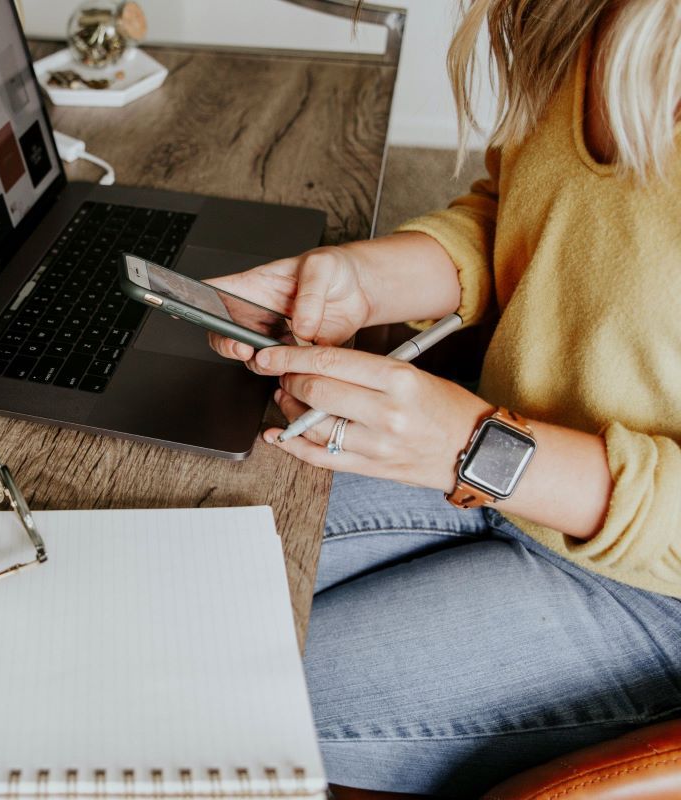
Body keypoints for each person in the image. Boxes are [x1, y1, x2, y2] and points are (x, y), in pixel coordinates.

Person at [207, 0, 681, 795]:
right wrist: (365, 279)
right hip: (499, 468)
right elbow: (526, 212)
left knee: (208, 701)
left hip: (650, 584)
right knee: (173, 588)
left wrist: (478, 446)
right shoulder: (581, 15)